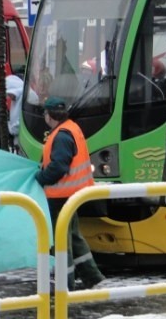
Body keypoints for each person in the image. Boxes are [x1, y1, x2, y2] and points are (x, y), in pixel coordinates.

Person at [35, 96, 105, 291]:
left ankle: (64, 282)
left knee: (61, 240)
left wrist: (39, 178)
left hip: (60, 196)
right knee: (73, 236)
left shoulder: (62, 135)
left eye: (45, 114)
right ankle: (92, 276)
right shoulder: (70, 128)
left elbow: (58, 167)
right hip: (73, 194)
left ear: (49, 116)